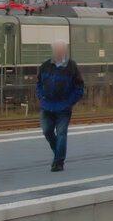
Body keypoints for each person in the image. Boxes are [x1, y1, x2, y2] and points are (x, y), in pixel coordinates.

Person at [36, 40, 85, 171]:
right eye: (55, 50)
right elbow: (39, 83)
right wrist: (41, 96)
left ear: (64, 51)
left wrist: (70, 101)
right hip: (47, 106)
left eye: (60, 50)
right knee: (47, 131)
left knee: (61, 134)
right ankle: (57, 153)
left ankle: (58, 162)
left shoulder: (71, 66)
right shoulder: (46, 65)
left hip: (63, 107)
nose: (57, 52)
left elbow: (79, 86)